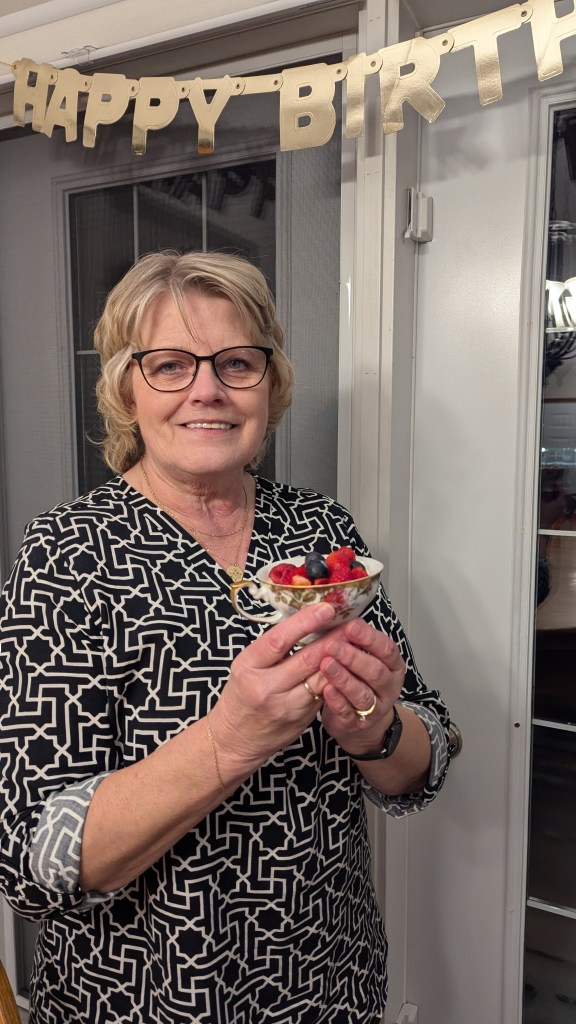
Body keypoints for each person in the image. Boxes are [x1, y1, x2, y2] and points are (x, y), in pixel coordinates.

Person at [0, 250, 451, 1024]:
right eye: (170, 364)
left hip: (329, 985)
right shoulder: (65, 557)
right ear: (124, 387)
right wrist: (230, 741)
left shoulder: (319, 530)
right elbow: (33, 858)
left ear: (269, 383)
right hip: (145, 999)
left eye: (236, 362)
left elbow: (429, 753)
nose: (206, 389)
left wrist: (376, 726)